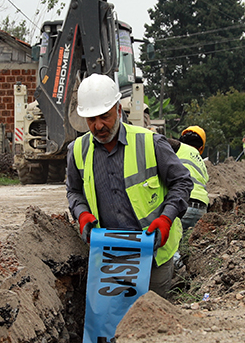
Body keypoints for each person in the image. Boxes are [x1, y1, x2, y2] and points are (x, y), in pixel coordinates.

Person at [66, 74, 193, 298]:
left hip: (152, 253)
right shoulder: (77, 150)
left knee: (153, 322)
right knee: (113, 323)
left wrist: (166, 219)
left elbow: (182, 181)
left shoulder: (150, 143)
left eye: (104, 117)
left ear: (117, 109)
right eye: (91, 120)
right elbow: (74, 191)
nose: (98, 126)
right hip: (109, 256)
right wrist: (81, 213)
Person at [175, 125, 210, 233]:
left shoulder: (177, 150)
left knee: (171, 245)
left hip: (183, 204)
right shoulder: (202, 164)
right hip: (202, 208)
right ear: (200, 148)